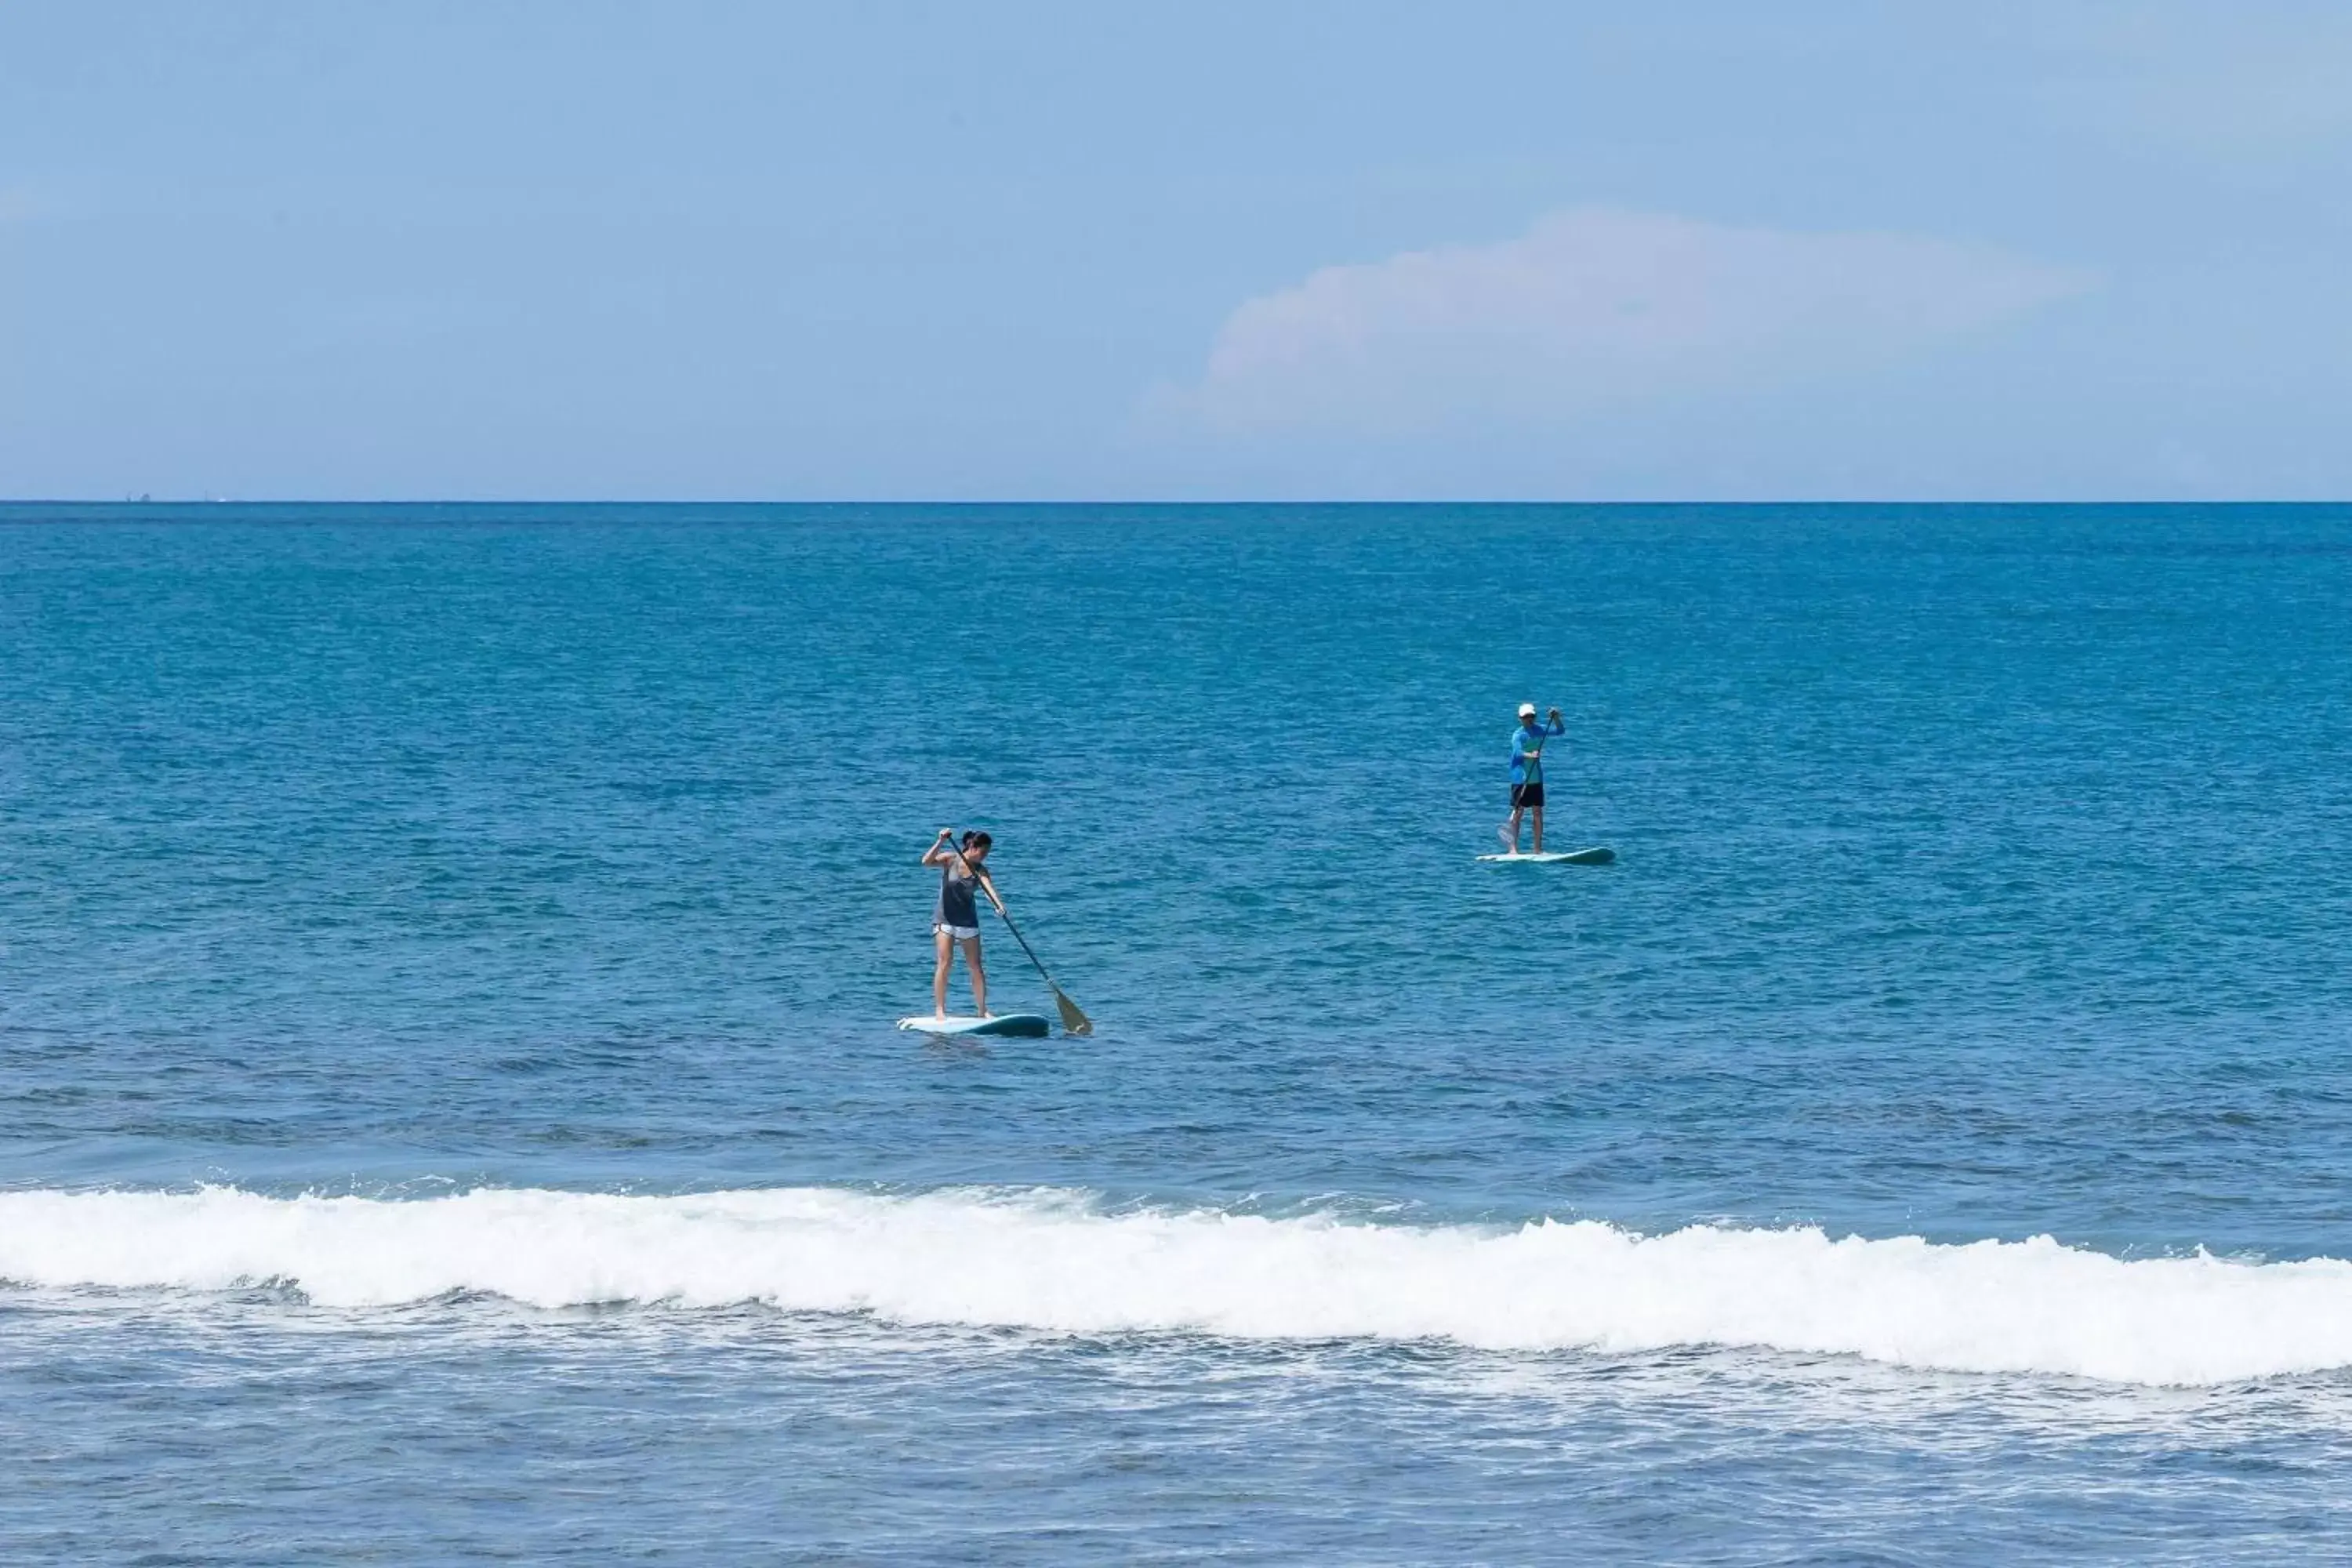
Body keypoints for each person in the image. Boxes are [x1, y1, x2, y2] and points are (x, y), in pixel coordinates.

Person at [922, 828, 1002, 1018]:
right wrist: (940, 841)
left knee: (975, 965)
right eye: (983, 852)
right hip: (945, 919)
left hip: (968, 921)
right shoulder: (951, 859)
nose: (985, 856)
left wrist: (999, 906)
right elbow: (926, 862)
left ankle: (982, 1010)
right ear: (972, 847)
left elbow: (989, 891)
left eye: (987, 853)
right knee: (945, 962)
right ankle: (940, 1010)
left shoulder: (980, 870)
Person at [1500, 702, 1565, 854]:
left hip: (1536, 778)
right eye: (1526, 717)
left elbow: (1560, 731)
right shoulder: (1518, 734)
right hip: (1520, 779)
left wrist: (1556, 718)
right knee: (1519, 813)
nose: (1529, 719)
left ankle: (1537, 849)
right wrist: (1531, 755)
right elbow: (1517, 753)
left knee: (1537, 812)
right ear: (1520, 718)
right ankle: (1513, 850)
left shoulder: (1539, 729)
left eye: (1532, 716)